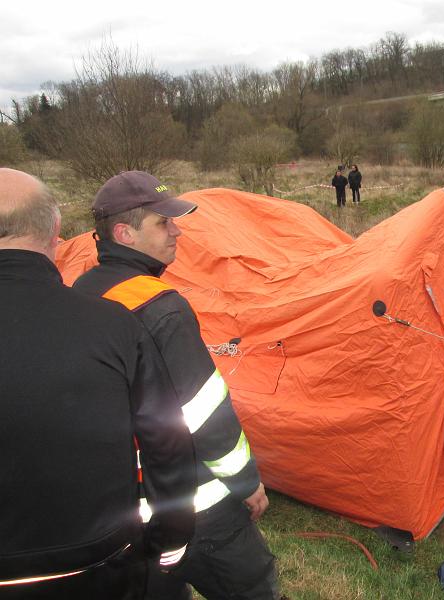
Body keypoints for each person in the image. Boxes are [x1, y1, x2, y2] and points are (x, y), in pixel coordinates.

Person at [73, 171, 282, 600]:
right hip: (194, 509)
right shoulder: (160, 307)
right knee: (253, 587)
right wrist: (246, 483)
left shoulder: (80, 292)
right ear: (124, 233)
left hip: (120, 511)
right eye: (163, 223)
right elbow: (204, 412)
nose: (177, 231)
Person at [0, 168, 196, 599]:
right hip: (99, 567)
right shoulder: (114, 327)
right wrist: (168, 539)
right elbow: (168, 445)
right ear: (55, 230)